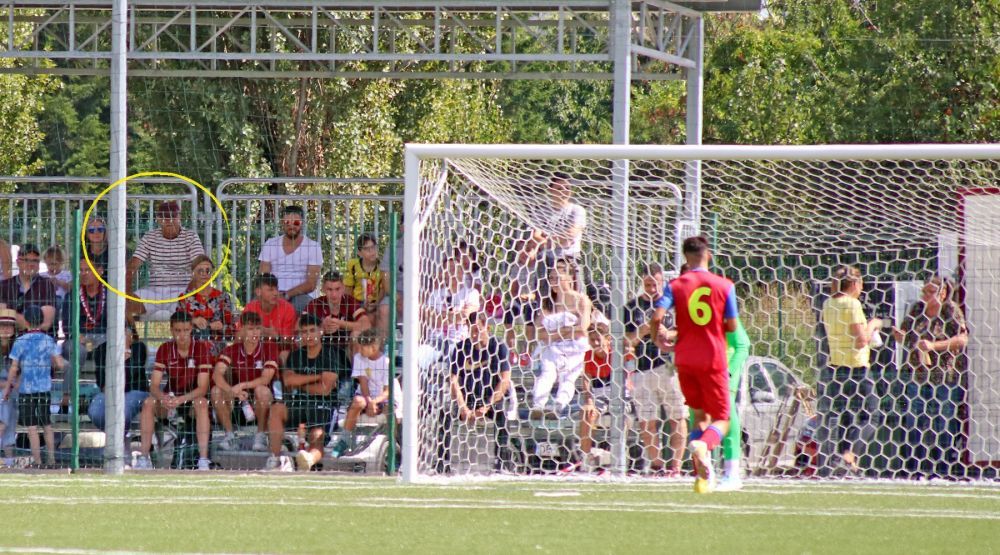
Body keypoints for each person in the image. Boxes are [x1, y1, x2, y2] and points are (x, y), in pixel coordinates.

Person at [649, 236, 740, 493]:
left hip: (685, 360)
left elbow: (657, 316)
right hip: (713, 358)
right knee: (722, 419)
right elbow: (732, 326)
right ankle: (703, 447)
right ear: (708, 255)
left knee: (698, 416)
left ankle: (702, 477)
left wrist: (659, 339)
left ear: (684, 257)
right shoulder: (724, 285)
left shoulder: (676, 285)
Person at [892, 276, 968, 478]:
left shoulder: (950, 310)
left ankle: (944, 468)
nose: (924, 295)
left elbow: (962, 338)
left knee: (943, 422)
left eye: (929, 292)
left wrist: (934, 346)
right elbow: (907, 335)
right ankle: (913, 467)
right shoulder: (917, 309)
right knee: (914, 421)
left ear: (942, 293)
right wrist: (900, 337)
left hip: (943, 377)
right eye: (923, 291)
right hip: (916, 375)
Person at [624, 262, 688, 477]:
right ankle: (657, 465)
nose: (652, 287)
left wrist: (667, 334)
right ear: (643, 282)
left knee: (677, 416)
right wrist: (644, 330)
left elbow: (686, 332)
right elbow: (626, 342)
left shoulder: (672, 305)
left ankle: (676, 467)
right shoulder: (632, 308)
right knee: (647, 421)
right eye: (648, 283)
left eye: (656, 283)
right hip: (642, 370)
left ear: (663, 281)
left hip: (668, 368)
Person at [817, 264, 882, 476]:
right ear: (854, 284)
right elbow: (861, 341)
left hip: (837, 368)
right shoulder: (852, 304)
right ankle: (849, 454)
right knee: (872, 415)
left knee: (847, 416)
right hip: (857, 368)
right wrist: (873, 324)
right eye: (861, 283)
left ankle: (847, 460)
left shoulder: (828, 303)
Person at [133, 311, 214, 470]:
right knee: (149, 402)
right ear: (171, 330)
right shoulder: (165, 348)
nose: (182, 335)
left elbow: (203, 387)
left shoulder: (201, 348)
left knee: (202, 403)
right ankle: (144, 457)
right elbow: (154, 385)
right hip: (170, 399)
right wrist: (163, 397)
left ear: (191, 329)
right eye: (177, 331)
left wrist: (182, 399)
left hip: (190, 400)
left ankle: (203, 459)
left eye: (185, 330)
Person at [265, 313, 339, 472]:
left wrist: (301, 383)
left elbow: (325, 390)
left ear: (321, 331)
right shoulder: (296, 355)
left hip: (323, 405)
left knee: (316, 435)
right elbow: (288, 381)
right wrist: (318, 377)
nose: (308, 335)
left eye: (312, 330)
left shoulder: (331, 353)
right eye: (304, 332)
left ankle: (309, 459)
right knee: (277, 408)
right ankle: (275, 459)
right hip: (298, 402)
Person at [449, 312, 512, 472]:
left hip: (490, 401)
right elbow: (453, 381)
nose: (475, 334)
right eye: (472, 330)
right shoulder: (460, 348)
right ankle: (442, 462)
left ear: (487, 327)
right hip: (468, 401)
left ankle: (502, 463)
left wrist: (486, 407)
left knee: (501, 415)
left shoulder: (499, 347)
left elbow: (504, 380)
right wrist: (463, 407)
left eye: (478, 329)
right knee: (445, 414)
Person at [3, 305, 64, 466]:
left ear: (26, 321)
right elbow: (59, 363)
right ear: (42, 320)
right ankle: (51, 459)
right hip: (44, 388)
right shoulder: (48, 340)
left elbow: (14, 367)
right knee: (47, 425)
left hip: (26, 390)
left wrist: (9, 386)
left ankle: (37, 461)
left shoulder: (20, 341)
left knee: (32, 427)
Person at [531, 257, 592, 414]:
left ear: (570, 277)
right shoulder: (548, 303)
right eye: (551, 278)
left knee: (568, 378)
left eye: (557, 278)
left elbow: (583, 329)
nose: (553, 282)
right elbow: (539, 332)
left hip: (575, 349)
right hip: (552, 348)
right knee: (547, 373)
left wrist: (556, 333)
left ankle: (557, 407)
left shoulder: (581, 300)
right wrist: (565, 331)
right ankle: (538, 407)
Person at [212, 311, 280, 452]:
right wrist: (231, 391)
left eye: (257, 328)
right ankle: (230, 436)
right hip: (237, 401)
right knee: (216, 391)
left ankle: (260, 436)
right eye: (250, 329)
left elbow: (266, 378)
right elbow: (217, 374)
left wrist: (242, 385)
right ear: (241, 330)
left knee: (261, 390)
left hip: (261, 402)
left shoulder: (269, 348)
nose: (254, 333)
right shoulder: (232, 350)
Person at [126, 200, 205, 321]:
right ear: (158, 219)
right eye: (164, 216)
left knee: (188, 312)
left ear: (180, 217)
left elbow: (201, 267)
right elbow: (132, 267)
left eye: (173, 216)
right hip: (154, 292)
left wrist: (190, 293)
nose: (168, 220)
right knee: (127, 308)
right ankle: (131, 337)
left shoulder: (190, 237)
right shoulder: (149, 237)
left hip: (182, 290)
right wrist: (128, 295)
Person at [572, 322, 630, 474]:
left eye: (598, 339)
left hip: (621, 394)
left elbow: (630, 370)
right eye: (592, 340)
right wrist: (589, 402)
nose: (596, 343)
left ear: (608, 339)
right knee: (586, 414)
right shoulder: (588, 356)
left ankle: (617, 458)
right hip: (599, 394)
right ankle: (586, 459)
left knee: (621, 415)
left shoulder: (617, 353)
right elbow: (586, 379)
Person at [258, 205, 323, 314]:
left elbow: (311, 284)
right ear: (282, 223)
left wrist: (287, 295)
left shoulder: (313, 247)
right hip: (273, 293)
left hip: (301, 294)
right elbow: (264, 276)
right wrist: (273, 294)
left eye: (296, 222)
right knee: (254, 309)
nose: (291, 226)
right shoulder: (270, 244)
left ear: (302, 223)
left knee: (301, 308)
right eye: (287, 222)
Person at [87, 323, 149, 437]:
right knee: (95, 411)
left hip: (135, 391)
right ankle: (117, 439)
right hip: (109, 390)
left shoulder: (139, 347)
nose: (122, 336)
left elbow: (132, 375)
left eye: (125, 332)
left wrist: (125, 350)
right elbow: (101, 379)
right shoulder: (102, 350)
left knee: (122, 411)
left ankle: (117, 443)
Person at [304, 271, 371, 365]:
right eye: (329, 289)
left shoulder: (349, 301)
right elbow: (299, 327)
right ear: (323, 289)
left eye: (337, 289)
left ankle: (355, 376)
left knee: (357, 335)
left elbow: (366, 325)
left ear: (343, 288)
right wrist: (322, 329)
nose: (334, 294)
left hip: (347, 348)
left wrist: (340, 324)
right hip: (321, 348)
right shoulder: (315, 304)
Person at [534, 172, 587, 290]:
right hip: (547, 259)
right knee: (544, 298)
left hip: (570, 258)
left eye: (567, 188)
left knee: (575, 296)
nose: (564, 191)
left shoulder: (577, 210)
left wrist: (547, 241)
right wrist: (559, 240)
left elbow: (570, 237)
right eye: (559, 188)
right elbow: (536, 236)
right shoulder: (541, 210)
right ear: (551, 190)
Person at [423, 256, 481, 359]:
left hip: (459, 343)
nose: (452, 273)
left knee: (453, 355)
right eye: (448, 270)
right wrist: (456, 316)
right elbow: (431, 320)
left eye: (455, 269)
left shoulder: (472, 293)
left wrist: (441, 316)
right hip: (434, 342)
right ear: (443, 274)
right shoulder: (434, 295)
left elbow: (464, 316)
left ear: (462, 272)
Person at [176, 255, 235, 347]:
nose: (204, 274)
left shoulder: (223, 297)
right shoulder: (184, 298)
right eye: (200, 271)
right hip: (190, 350)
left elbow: (231, 331)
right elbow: (177, 327)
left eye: (208, 271)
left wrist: (221, 327)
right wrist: (193, 321)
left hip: (217, 351)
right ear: (193, 273)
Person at [0, 244, 57, 334]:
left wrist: (12, 316)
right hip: (10, 340)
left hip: (39, 339)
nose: (30, 264)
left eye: (35, 261)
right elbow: (2, 317)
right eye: (26, 260)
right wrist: (32, 325)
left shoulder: (46, 285)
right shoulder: (4, 286)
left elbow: (46, 324)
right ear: (18, 262)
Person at [343, 329, 392, 434]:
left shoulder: (385, 362)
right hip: (365, 396)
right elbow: (363, 382)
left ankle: (391, 440)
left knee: (391, 411)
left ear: (373, 348)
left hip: (381, 399)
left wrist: (375, 402)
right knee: (357, 401)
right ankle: (345, 438)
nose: (359, 350)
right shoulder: (359, 358)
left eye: (362, 348)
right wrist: (369, 402)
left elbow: (387, 391)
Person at [60, 262, 108, 368]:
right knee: (75, 350)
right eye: (80, 270)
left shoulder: (109, 295)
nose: (83, 273)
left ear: (100, 271)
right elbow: (67, 325)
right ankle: (72, 384)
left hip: (104, 339)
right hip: (78, 340)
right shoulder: (72, 295)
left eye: (88, 270)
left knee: (110, 349)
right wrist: (79, 337)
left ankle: (107, 384)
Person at [344, 233, 391, 339]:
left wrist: (375, 304)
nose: (372, 252)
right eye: (367, 249)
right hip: (356, 303)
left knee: (372, 318)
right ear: (359, 253)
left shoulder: (382, 266)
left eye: (373, 247)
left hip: (376, 303)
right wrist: (355, 307)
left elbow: (383, 289)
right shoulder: (353, 265)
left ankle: (377, 348)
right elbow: (348, 291)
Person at [503, 231, 542, 355]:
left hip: (536, 300)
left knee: (530, 312)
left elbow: (542, 290)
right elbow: (513, 289)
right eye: (521, 250)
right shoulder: (516, 268)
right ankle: (512, 352)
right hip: (520, 299)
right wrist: (518, 296)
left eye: (528, 250)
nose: (524, 253)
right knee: (509, 312)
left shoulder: (540, 267)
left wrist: (531, 296)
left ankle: (527, 352)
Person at [242, 272, 297, 351]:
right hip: (255, 350)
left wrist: (276, 338)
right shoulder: (250, 308)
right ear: (258, 292)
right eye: (270, 290)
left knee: (284, 353)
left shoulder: (287, 308)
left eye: (276, 289)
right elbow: (240, 336)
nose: (275, 293)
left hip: (280, 351)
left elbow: (289, 343)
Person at [0, 309, 18, 466]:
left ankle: (8, 458)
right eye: (2, 325)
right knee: (5, 402)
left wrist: (11, 386)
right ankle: (8, 454)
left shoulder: (17, 347)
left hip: (12, 391)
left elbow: (20, 374)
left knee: (10, 403)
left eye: (9, 326)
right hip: (3, 390)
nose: (5, 329)